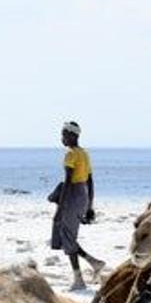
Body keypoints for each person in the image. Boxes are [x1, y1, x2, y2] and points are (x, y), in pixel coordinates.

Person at [50, 121, 105, 290]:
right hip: (83, 195)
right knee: (67, 235)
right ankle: (93, 263)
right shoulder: (84, 154)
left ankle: (79, 279)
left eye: (64, 134)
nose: (62, 138)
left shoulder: (71, 154)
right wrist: (89, 205)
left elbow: (67, 182)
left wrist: (60, 209)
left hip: (72, 194)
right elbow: (90, 181)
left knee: (66, 235)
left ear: (72, 135)